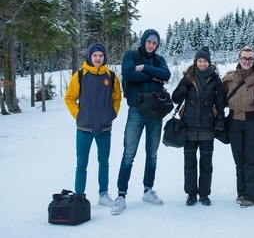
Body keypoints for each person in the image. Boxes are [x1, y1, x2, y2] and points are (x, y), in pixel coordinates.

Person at [111, 29, 171, 215]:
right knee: (129, 153)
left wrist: (145, 69)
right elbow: (128, 74)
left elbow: (166, 75)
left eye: (155, 43)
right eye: (149, 42)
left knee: (152, 154)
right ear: (144, 41)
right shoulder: (131, 55)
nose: (151, 45)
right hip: (136, 111)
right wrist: (154, 76)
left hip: (156, 112)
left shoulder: (159, 60)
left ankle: (148, 190)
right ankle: (121, 195)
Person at [65, 43, 122, 206]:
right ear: (89, 57)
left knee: (104, 162)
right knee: (81, 163)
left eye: (101, 56)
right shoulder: (81, 75)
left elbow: (117, 98)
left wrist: (112, 113)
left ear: (105, 58)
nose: (98, 58)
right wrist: (78, 114)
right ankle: (79, 195)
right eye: (95, 55)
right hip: (84, 128)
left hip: (104, 127)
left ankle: (103, 194)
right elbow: (69, 98)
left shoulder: (111, 76)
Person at [171, 47, 225, 206]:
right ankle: (191, 194)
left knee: (206, 163)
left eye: (205, 61)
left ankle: (204, 194)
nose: (202, 64)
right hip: (189, 127)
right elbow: (175, 98)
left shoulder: (215, 79)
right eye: (200, 61)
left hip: (208, 127)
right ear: (196, 62)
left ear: (209, 62)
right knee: (189, 163)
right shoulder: (188, 78)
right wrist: (184, 88)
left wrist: (220, 124)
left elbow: (220, 104)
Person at [222, 47, 254, 208]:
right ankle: (242, 192)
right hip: (234, 122)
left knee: (251, 159)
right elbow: (220, 98)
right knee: (239, 159)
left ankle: (251, 195)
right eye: (244, 58)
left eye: (250, 59)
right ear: (238, 59)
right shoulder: (229, 78)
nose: (247, 61)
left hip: (253, 123)